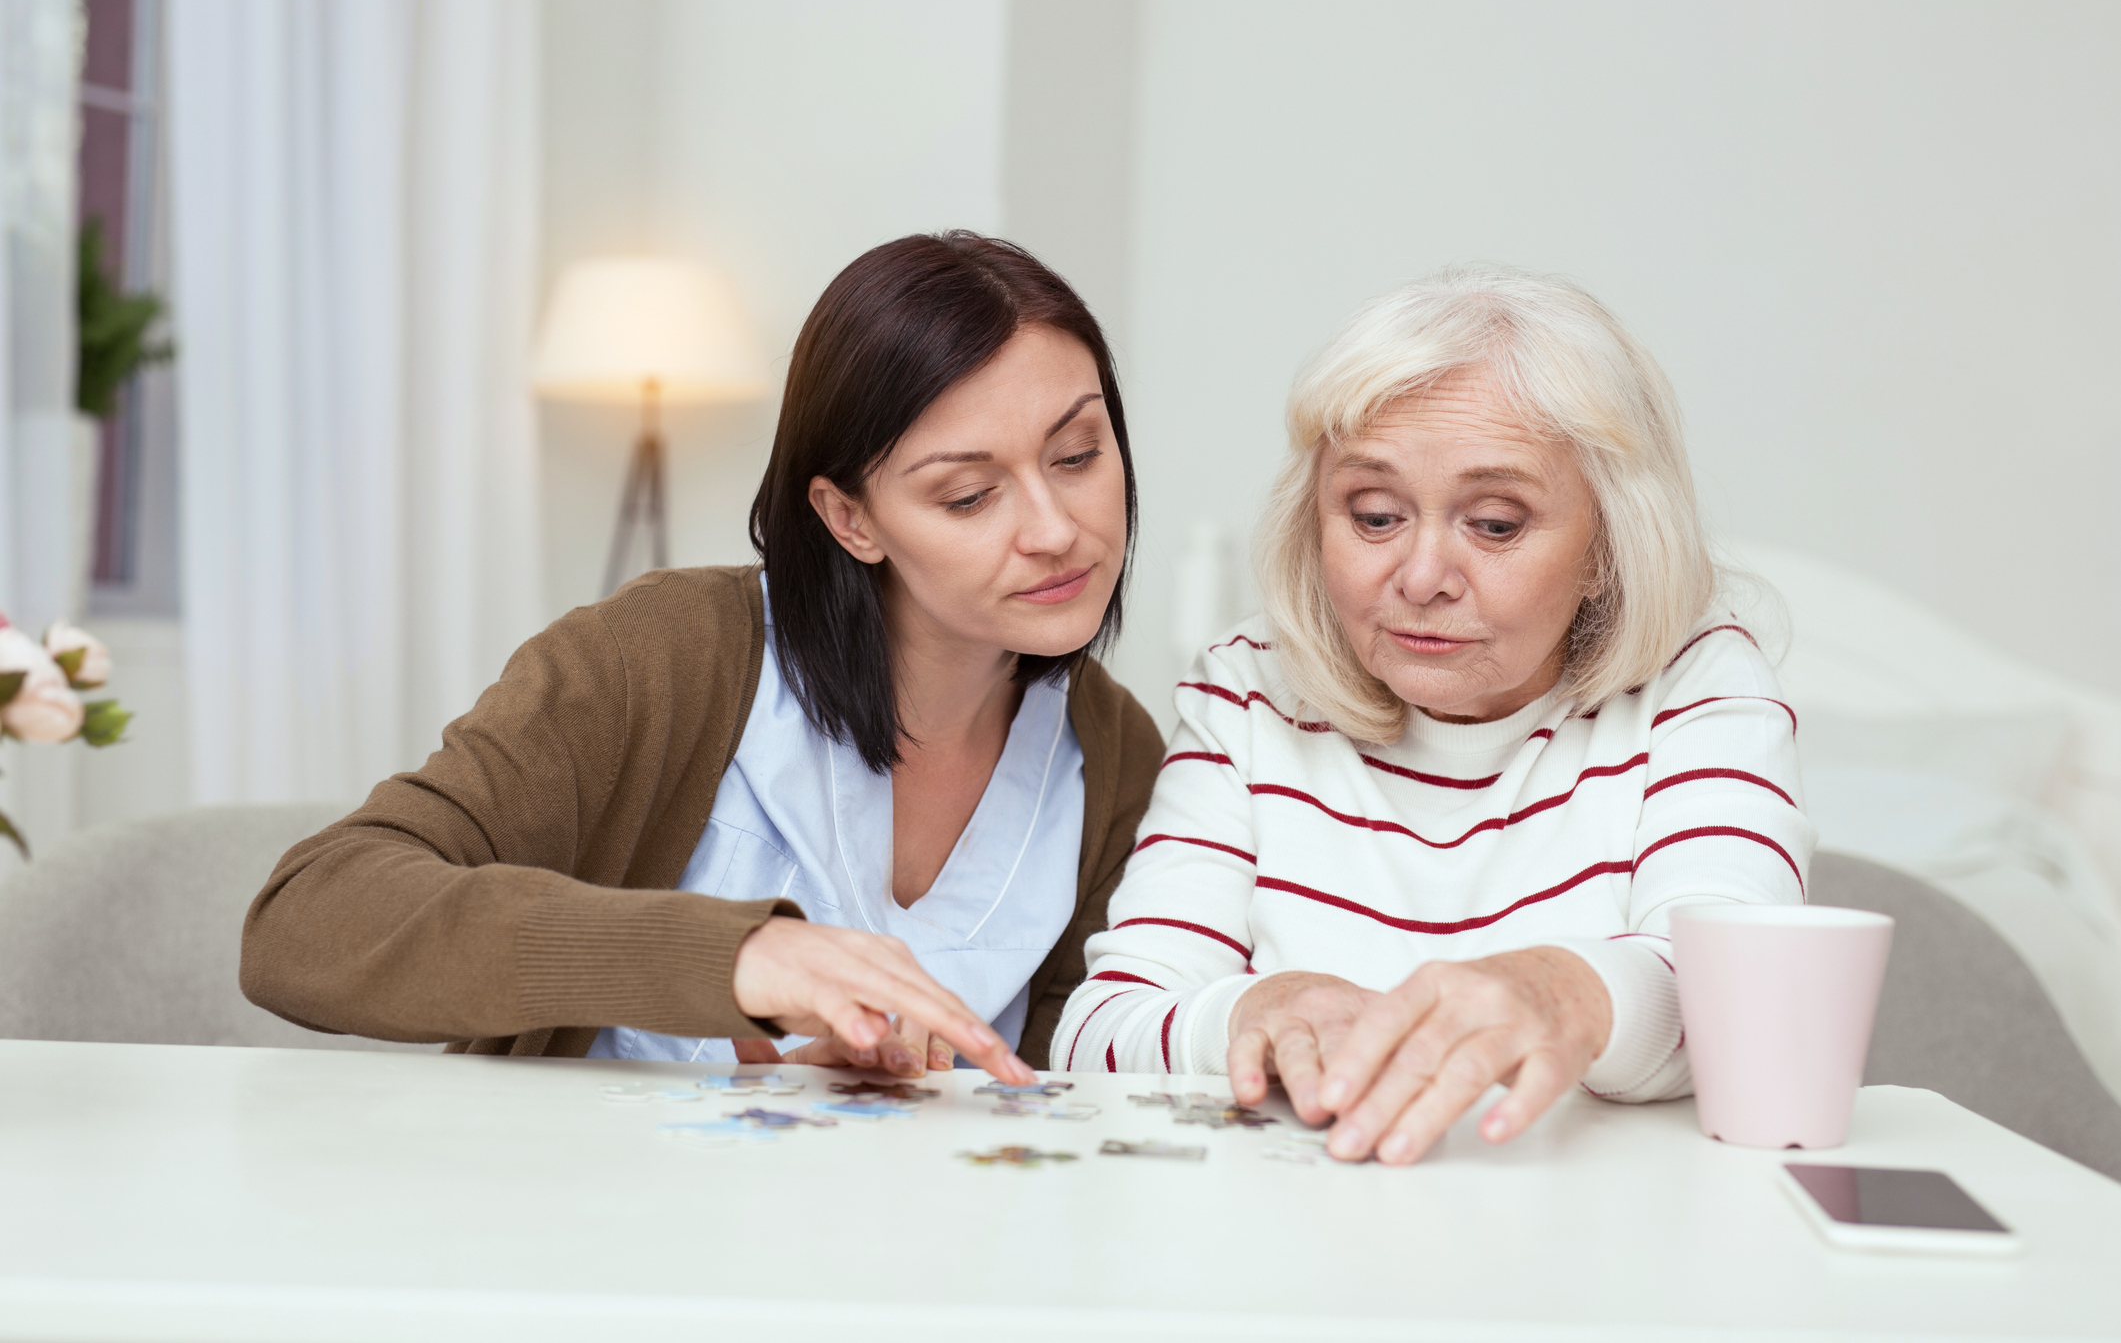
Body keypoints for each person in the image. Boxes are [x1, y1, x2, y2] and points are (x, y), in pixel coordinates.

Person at [243, 232, 1164, 1082]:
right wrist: (736, 955)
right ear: (849, 519)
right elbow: (306, 921)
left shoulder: (1115, 754)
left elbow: (1052, 1108)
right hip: (570, 1226)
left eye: (1078, 455)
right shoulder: (665, 658)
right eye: (968, 496)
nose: (1054, 531)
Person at [1059, 264, 1813, 1160]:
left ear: (1608, 547)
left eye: (1494, 525)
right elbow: (1097, 1033)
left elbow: (1748, 1010)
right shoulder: (1249, 689)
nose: (1419, 579)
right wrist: (1250, 1011)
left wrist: (1563, 993)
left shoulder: (1700, 682)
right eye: (1373, 516)